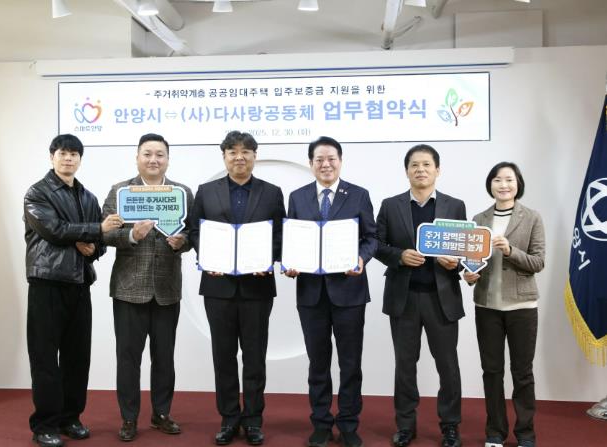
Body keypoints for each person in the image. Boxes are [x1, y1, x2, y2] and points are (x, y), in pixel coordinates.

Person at [189, 131, 286, 446]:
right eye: (232, 151)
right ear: (224, 157)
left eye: (246, 151)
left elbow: (281, 235)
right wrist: (207, 256)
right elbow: (195, 231)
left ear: (255, 156)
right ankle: (229, 418)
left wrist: (268, 258)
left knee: (255, 357)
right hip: (218, 286)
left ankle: (254, 420)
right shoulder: (206, 192)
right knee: (224, 357)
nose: (239, 157)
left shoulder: (272, 193)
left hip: (257, 287)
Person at [24, 134, 121, 447]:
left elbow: (100, 242)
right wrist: (93, 231)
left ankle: (71, 417)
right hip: (47, 282)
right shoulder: (37, 193)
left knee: (78, 357)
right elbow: (53, 229)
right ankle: (45, 425)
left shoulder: (88, 197)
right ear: (52, 156)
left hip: (80, 283)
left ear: (80, 159)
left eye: (74, 154)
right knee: (44, 358)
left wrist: (93, 246)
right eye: (63, 153)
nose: (68, 159)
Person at [284, 136, 377, 447]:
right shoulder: (297, 197)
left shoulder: (359, 195)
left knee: (350, 363)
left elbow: (371, 237)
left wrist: (361, 258)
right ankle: (321, 422)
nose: (325, 164)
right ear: (311, 163)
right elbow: (292, 239)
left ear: (340, 161)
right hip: (311, 293)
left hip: (349, 292)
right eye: (319, 159)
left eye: (331, 159)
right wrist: (290, 262)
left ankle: (349, 423)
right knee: (318, 363)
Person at [101, 133, 194, 442]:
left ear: (167, 159)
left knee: (164, 357)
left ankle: (161, 413)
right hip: (129, 289)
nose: (154, 159)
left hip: (167, 288)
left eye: (159, 154)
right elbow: (104, 233)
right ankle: (129, 418)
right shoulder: (120, 192)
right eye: (148, 154)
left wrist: (183, 242)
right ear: (137, 157)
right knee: (128, 358)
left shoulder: (182, 193)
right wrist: (131, 236)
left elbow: (193, 232)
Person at [375, 144, 466, 447]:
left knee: (448, 366)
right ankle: (405, 425)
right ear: (407, 171)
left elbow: (463, 248)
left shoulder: (455, 206)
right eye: (414, 165)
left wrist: (454, 263)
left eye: (427, 164)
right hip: (405, 299)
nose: (421, 169)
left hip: (442, 299)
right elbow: (376, 244)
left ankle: (450, 426)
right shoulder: (390, 205)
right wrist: (400, 256)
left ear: (437, 170)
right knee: (404, 366)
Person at [462, 162, 544, 447]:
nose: (503, 185)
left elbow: (538, 262)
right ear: (490, 185)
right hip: (487, 307)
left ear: (518, 184)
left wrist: (510, 251)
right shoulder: (479, 218)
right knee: (492, 371)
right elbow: (472, 261)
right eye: (497, 180)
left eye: (509, 179)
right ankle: (495, 432)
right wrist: (468, 275)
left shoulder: (531, 217)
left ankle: (526, 434)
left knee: (522, 373)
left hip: (522, 306)